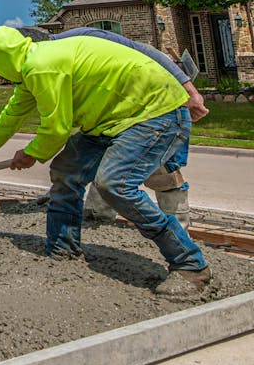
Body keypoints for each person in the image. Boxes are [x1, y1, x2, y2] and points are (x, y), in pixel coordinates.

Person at [0, 26, 211, 296]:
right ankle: (63, 249)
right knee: (67, 171)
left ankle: (190, 264)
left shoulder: (42, 65)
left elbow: (56, 129)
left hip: (154, 113)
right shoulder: (32, 68)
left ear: (2, 59)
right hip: (110, 120)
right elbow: (10, 117)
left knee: (115, 184)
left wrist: (30, 153)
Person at [19, 26, 206, 225]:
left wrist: (191, 92)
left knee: (162, 169)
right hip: (118, 106)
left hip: (159, 94)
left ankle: (177, 226)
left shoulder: (86, 37)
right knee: (103, 157)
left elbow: (148, 52)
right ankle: (97, 215)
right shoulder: (54, 67)